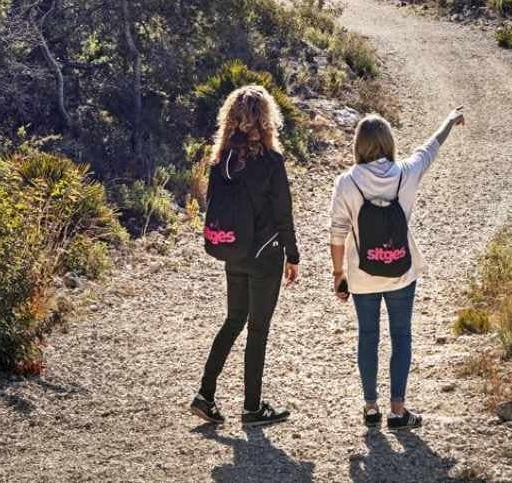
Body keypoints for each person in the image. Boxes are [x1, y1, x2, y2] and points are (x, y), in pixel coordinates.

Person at [329, 106, 465, 430]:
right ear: (389, 142)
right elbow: (430, 148)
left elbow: (336, 232)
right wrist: (448, 120)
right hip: (401, 272)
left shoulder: (346, 182)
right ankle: (398, 410)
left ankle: (370, 407)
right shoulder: (407, 172)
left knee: (367, 336)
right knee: (401, 336)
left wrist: (339, 275)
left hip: (362, 276)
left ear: (358, 145)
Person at [190, 85, 300, 427]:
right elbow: (283, 214)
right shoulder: (271, 162)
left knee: (233, 320)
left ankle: (205, 395)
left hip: (233, 253)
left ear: (231, 118)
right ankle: (252, 408)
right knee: (258, 329)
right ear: (266, 119)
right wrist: (292, 256)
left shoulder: (220, 162)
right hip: (265, 258)